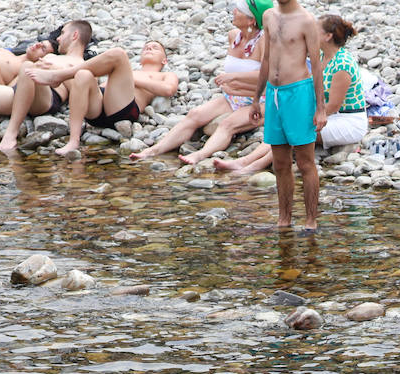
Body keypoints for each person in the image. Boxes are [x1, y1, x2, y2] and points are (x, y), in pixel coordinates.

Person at [216, 14, 366, 177]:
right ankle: (244, 161)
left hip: (348, 121)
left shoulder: (342, 65)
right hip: (329, 115)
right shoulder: (322, 56)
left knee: (295, 128)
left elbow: (332, 106)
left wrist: (304, 117)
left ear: (328, 36)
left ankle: (253, 166)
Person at [130, 0, 269, 164]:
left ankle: (200, 155)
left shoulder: (264, 40)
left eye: (238, 10)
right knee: (194, 114)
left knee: (227, 123)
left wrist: (233, 77)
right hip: (233, 96)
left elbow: (268, 74)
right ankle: (154, 150)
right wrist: (231, 84)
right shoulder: (233, 36)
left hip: (261, 99)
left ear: (251, 20)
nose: (233, 12)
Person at [26, 38, 178, 157]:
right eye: (146, 47)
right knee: (83, 74)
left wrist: (129, 78)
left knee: (118, 53)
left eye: (155, 48)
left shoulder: (164, 75)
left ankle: (59, 75)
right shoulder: (127, 72)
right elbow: (93, 83)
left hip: (122, 109)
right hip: (96, 109)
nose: (149, 48)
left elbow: (168, 89)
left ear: (164, 60)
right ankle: (74, 140)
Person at [248, 0, 324, 229]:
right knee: (280, 163)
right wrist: (255, 98)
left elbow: (317, 65)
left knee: (305, 162)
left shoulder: (306, 20)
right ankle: (284, 219)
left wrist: (320, 108)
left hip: (298, 93)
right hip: (273, 94)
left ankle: (311, 220)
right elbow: (267, 59)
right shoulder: (269, 16)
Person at [0, 21, 91, 153]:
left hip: (45, 97)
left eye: (62, 33)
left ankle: (11, 132)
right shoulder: (51, 56)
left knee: (28, 67)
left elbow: (80, 89)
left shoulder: (84, 65)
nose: (57, 38)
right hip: (20, 92)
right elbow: (13, 84)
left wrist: (56, 71)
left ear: (74, 35)